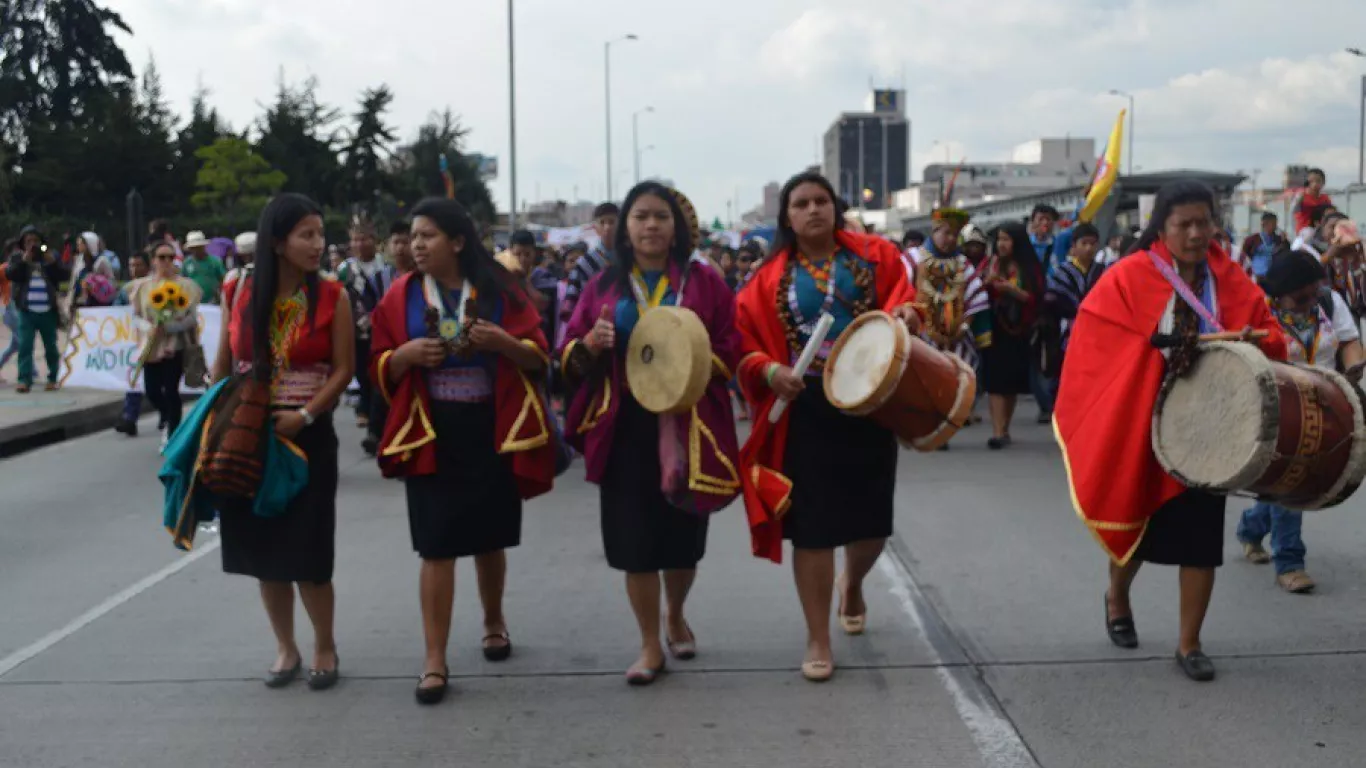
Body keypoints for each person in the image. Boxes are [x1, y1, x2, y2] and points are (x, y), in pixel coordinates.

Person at [1055, 180, 1285, 682]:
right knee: (1139, 519)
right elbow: (1099, 336)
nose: (1197, 232)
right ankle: (1117, 597)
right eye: (1185, 224)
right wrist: (1178, 342)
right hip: (1147, 419)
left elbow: (1268, 330)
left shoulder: (1231, 276)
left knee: (1202, 536)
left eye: (1205, 222)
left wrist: (1252, 341)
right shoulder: (1130, 275)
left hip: (1214, 426)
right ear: (1162, 226)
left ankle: (1189, 643)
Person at [369, 198, 556, 705]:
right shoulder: (400, 295)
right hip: (431, 429)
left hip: (490, 426)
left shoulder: (500, 290)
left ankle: (493, 620)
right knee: (435, 545)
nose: (416, 245)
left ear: (457, 242)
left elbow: (539, 355)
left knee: (488, 537)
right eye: (412, 235)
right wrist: (402, 358)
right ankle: (434, 658)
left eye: (428, 235)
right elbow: (378, 362)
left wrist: (503, 344)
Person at [734, 171, 919, 682]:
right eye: (801, 203)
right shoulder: (765, 281)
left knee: (871, 526)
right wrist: (769, 371)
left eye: (821, 201)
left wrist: (907, 311)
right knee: (811, 530)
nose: (813, 210)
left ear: (835, 208)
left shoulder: (875, 256)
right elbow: (742, 342)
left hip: (869, 398)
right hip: (806, 408)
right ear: (787, 217)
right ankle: (818, 636)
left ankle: (853, 583)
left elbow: (907, 297)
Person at [559, 182, 741, 686]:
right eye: (640, 216)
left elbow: (731, 343)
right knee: (632, 541)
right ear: (624, 227)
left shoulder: (706, 282)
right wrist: (590, 344)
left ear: (676, 227)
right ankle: (647, 644)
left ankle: (675, 612)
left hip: (689, 422)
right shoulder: (602, 286)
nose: (651, 226)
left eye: (661, 216)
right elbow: (569, 351)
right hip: (624, 424)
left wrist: (697, 360)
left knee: (682, 539)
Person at [212, 193, 355, 691]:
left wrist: (307, 414)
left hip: (309, 437)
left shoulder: (333, 296)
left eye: (320, 234)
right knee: (264, 553)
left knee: (310, 552)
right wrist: (214, 423)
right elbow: (223, 365)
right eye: (307, 235)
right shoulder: (238, 289)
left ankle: (325, 645)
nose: (318, 244)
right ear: (278, 242)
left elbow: (343, 369)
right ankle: (285, 647)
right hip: (249, 438)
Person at [1235, 248, 1363, 594]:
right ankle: (1290, 563)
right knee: (1291, 479)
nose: (1310, 301)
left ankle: (1250, 528)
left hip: (1323, 401)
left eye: (1313, 293)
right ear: (1279, 294)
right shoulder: (1260, 310)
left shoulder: (1329, 301)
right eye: (1300, 297)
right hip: (1277, 405)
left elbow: (1350, 341)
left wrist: (1352, 375)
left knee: (1289, 480)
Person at [125, 242, 203, 446]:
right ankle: (167, 415)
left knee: (171, 388)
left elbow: (192, 318)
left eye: (171, 257)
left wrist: (170, 327)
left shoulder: (186, 286)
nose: (167, 261)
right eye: (162, 257)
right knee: (152, 390)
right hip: (151, 346)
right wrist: (150, 327)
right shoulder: (142, 287)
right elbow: (135, 317)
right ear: (153, 260)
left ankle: (173, 434)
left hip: (175, 345)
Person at [979, 222, 1046, 449]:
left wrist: (1010, 289)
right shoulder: (990, 264)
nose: (1002, 244)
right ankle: (997, 431)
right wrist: (986, 284)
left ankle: (1005, 428)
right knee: (996, 382)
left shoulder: (1028, 266)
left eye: (1006, 239)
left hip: (1019, 330)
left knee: (1010, 382)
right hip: (994, 328)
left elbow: (1035, 298)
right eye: (999, 239)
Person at [4, 225, 70, 393]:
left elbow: (65, 275)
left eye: (35, 241)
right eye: (28, 241)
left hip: (48, 310)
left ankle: (53, 378)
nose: (32, 244)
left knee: (51, 346)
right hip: (27, 310)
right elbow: (11, 274)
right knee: (25, 346)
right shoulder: (18, 257)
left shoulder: (50, 256)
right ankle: (24, 380)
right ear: (23, 243)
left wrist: (53, 263)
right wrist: (24, 261)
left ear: (42, 242)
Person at [339, 215, 384, 433]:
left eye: (364, 239)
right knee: (360, 370)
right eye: (355, 240)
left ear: (374, 240)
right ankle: (365, 407)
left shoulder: (384, 267)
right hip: (355, 330)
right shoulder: (345, 269)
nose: (359, 244)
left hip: (381, 328)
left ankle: (373, 415)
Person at [1043, 222, 1106, 368]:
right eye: (1084, 243)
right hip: (1069, 331)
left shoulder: (1103, 271)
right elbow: (1053, 301)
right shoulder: (1061, 273)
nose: (1089, 248)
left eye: (1093, 244)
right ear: (1074, 245)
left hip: (1098, 331)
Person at [113, 250, 152, 436]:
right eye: (131, 265)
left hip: (156, 341)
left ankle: (167, 417)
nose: (134, 269)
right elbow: (115, 313)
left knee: (157, 384)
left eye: (138, 265)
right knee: (134, 378)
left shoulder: (156, 286)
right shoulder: (126, 289)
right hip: (134, 341)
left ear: (147, 266)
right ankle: (130, 418)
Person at [562, 203, 619, 322]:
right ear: (595, 227)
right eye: (602, 222)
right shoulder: (583, 265)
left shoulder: (630, 260)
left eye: (612, 222)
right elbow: (571, 306)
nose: (607, 227)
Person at [181, 230, 226, 305]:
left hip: (212, 300)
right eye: (193, 248)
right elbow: (183, 281)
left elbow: (223, 279)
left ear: (203, 246)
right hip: (192, 300)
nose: (196, 250)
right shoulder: (186, 263)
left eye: (198, 247)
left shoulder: (215, 261)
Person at [1239, 212, 1287, 282]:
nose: (1275, 227)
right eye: (1273, 224)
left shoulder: (1278, 239)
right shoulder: (1252, 239)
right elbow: (1243, 256)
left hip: (1272, 276)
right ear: (1264, 224)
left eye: (1276, 224)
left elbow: (1285, 254)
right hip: (1255, 276)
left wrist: (1284, 241)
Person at [1292, 168, 1332, 233]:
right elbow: (1293, 212)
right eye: (1311, 181)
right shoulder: (1301, 197)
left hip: (1321, 232)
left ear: (1323, 182)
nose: (1315, 184)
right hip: (1304, 233)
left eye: (1318, 181)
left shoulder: (1325, 198)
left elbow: (1331, 215)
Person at [1029, 205, 1060, 275]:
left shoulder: (1058, 243)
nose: (1045, 223)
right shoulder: (1026, 245)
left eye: (1048, 219)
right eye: (1041, 219)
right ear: (1033, 222)